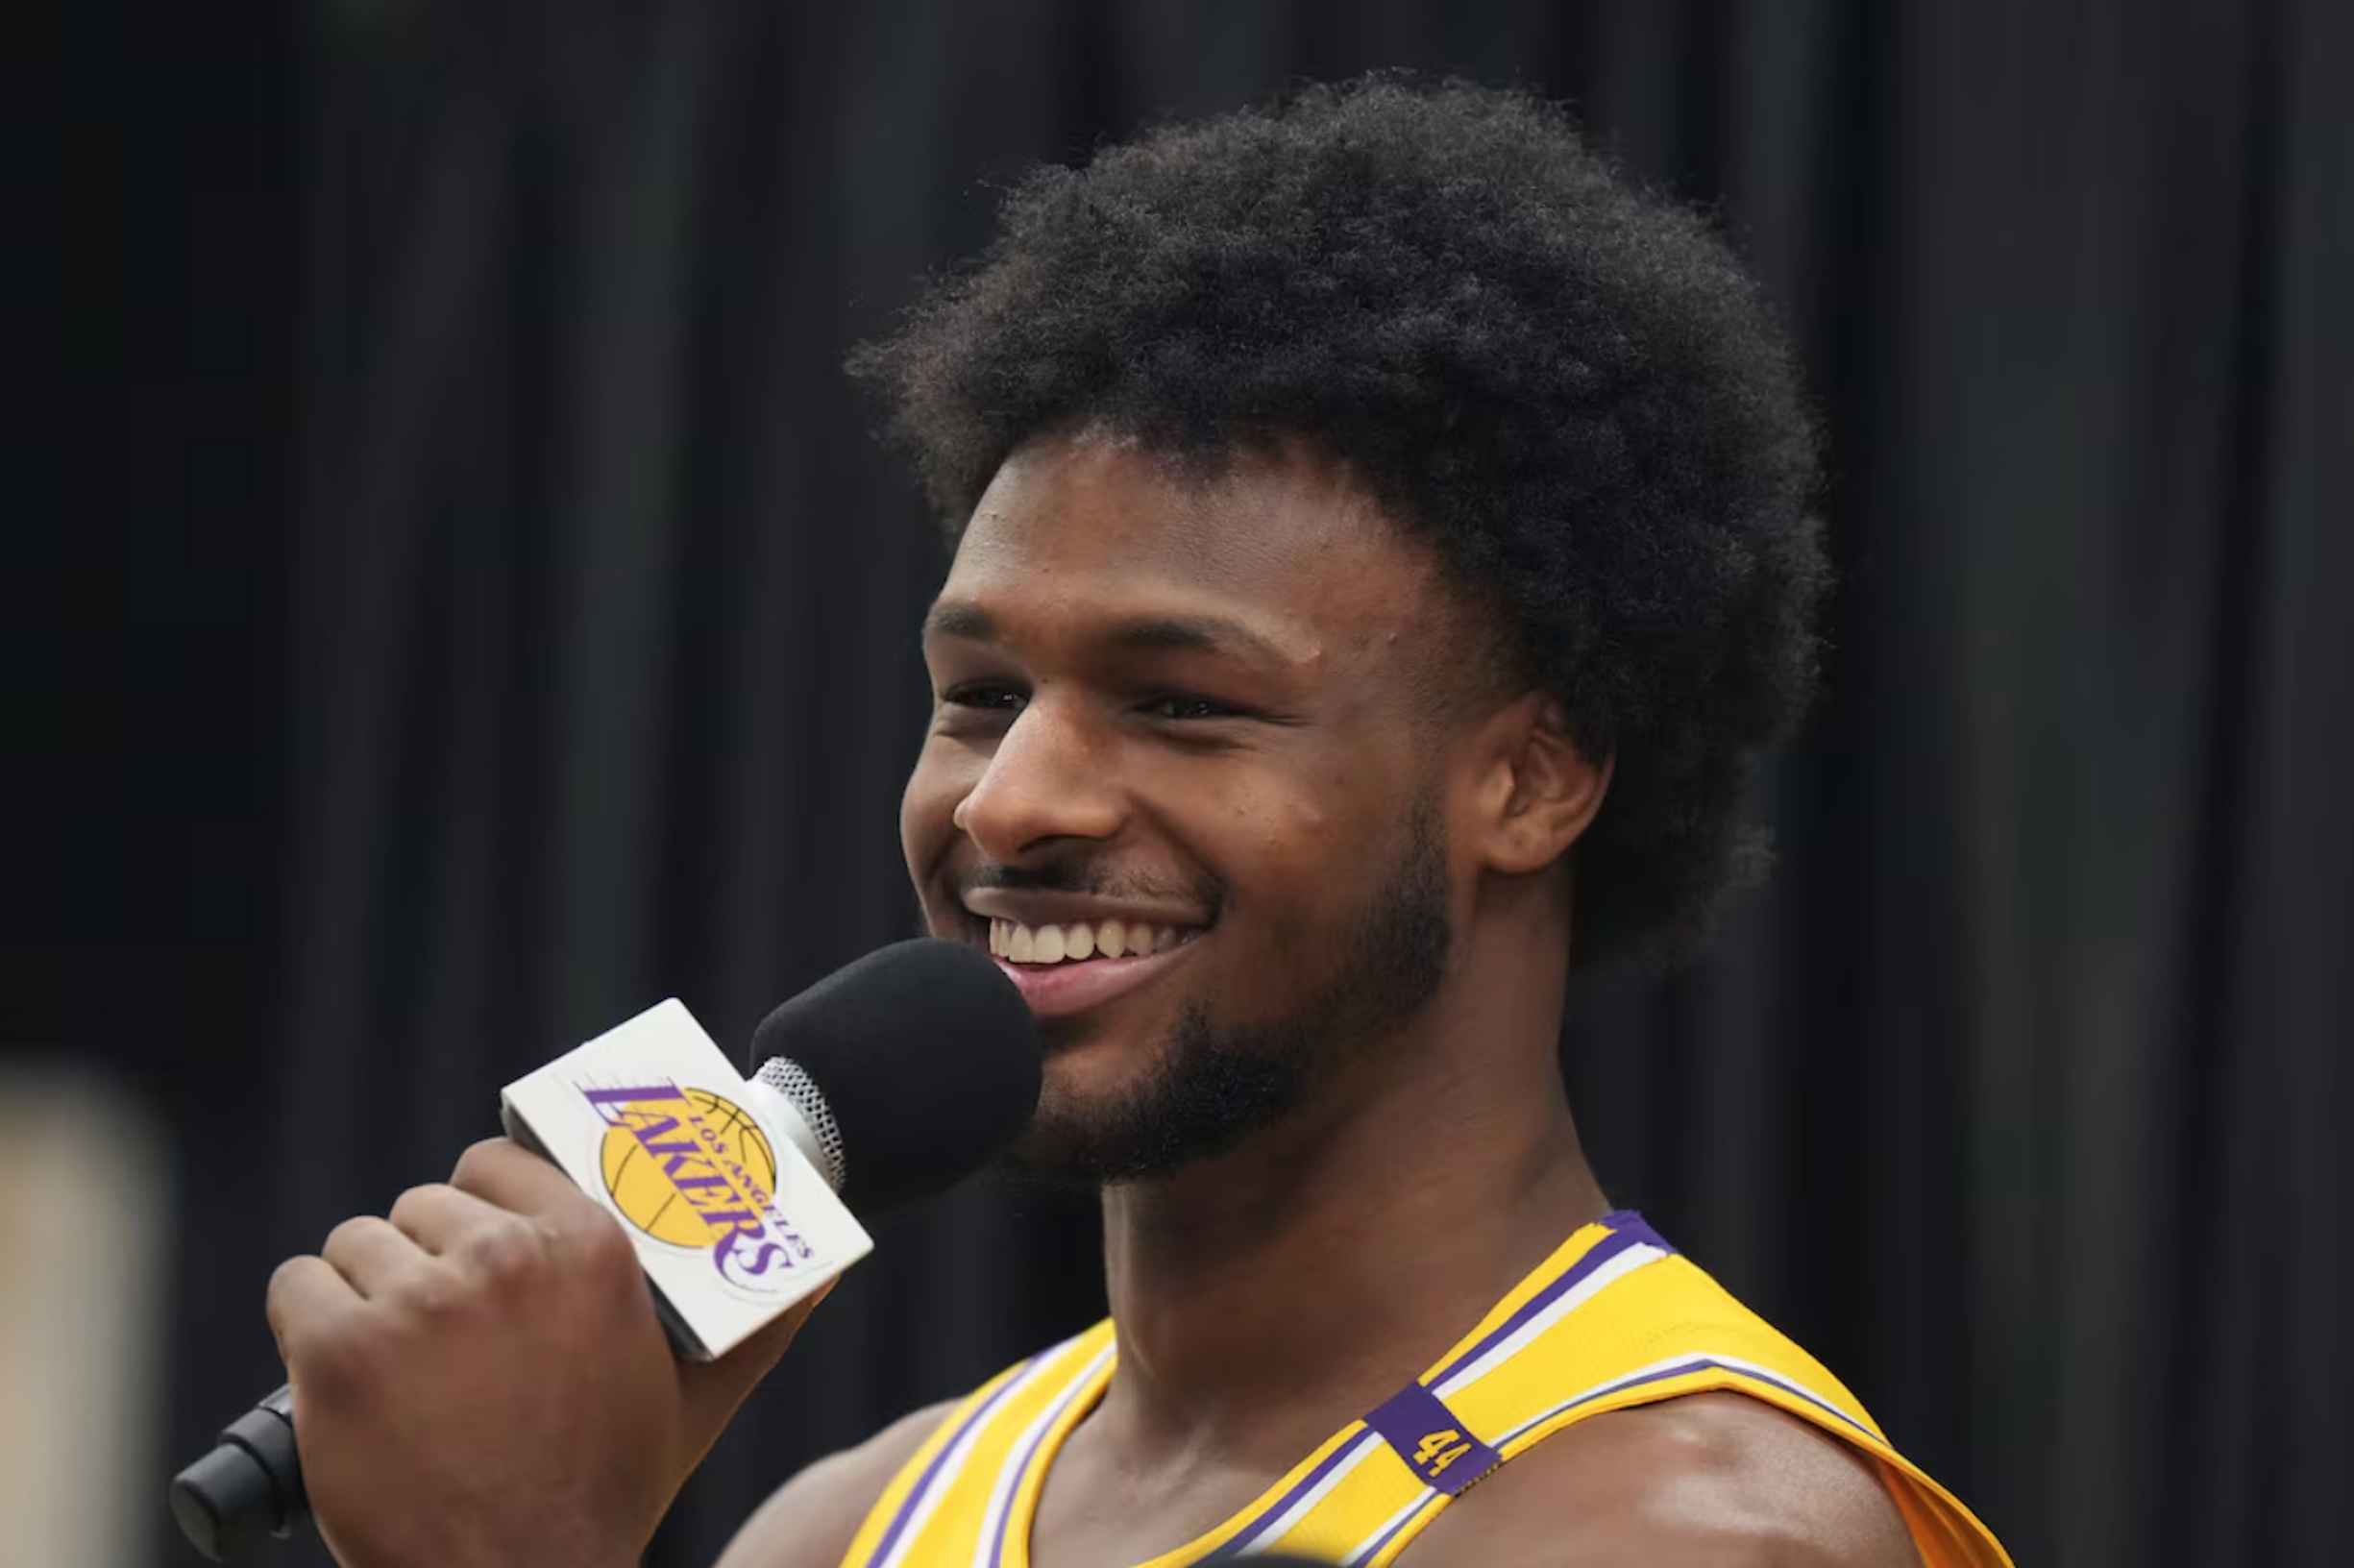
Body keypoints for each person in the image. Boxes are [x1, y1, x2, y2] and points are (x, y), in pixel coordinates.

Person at [265, 79, 2013, 1568]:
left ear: (1530, 782)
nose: (1011, 801)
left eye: (1183, 701)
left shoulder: (1684, 1529)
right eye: (978, 695)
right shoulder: (852, 1520)